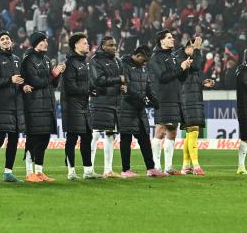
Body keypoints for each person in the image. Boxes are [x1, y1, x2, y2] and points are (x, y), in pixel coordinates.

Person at [118, 45, 168, 178]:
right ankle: (125, 170)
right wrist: (143, 100)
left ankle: (151, 169)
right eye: (144, 60)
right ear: (138, 55)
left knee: (144, 139)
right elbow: (125, 88)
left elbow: (148, 86)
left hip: (139, 108)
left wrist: (154, 100)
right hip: (126, 107)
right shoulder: (123, 66)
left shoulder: (143, 68)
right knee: (126, 138)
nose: (145, 63)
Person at [21, 31, 65, 182]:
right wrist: (53, 74)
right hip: (33, 104)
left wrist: (58, 74)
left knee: (44, 138)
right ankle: (28, 172)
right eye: (42, 41)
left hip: (47, 103)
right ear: (35, 43)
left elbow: (53, 84)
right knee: (33, 138)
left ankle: (39, 171)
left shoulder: (46, 59)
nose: (46, 43)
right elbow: (35, 81)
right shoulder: (28, 59)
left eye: (46, 40)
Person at [0, 31, 26, 183]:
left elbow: (20, 80)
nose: (5, 40)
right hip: (1, 106)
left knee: (14, 140)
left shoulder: (16, 59)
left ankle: (8, 172)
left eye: (7, 38)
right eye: (2, 39)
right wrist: (9, 79)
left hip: (16, 106)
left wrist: (24, 87)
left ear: (11, 41)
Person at [149, 30, 192, 175]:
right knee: (160, 130)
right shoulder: (155, 57)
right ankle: (155, 167)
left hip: (175, 96)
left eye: (172, 37)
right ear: (162, 41)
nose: (172, 39)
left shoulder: (172, 57)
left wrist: (185, 68)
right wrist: (180, 68)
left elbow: (180, 78)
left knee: (172, 131)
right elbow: (162, 76)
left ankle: (168, 167)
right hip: (163, 96)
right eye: (169, 38)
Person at [62, 33, 100, 180]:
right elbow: (70, 87)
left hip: (84, 105)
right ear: (76, 45)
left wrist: (91, 89)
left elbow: (85, 84)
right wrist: (88, 91)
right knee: (71, 138)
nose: (88, 45)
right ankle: (71, 171)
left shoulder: (85, 62)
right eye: (84, 43)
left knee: (87, 137)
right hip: (72, 106)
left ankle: (88, 171)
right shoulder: (70, 63)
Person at [177, 37, 214, 175]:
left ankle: (185, 166)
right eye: (192, 47)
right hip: (186, 97)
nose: (194, 49)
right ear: (186, 48)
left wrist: (202, 83)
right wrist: (198, 50)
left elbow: (192, 75)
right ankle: (196, 165)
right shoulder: (181, 57)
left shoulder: (188, 58)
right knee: (193, 129)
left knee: (190, 132)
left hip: (193, 95)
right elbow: (197, 65)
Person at [89, 36, 124, 178]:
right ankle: (88, 168)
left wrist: (123, 87)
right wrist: (119, 80)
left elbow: (123, 78)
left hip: (115, 102)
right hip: (100, 101)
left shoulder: (117, 61)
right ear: (103, 46)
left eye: (115, 45)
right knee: (95, 134)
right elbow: (99, 80)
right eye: (110, 45)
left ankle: (108, 170)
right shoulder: (95, 60)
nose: (114, 47)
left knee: (111, 135)